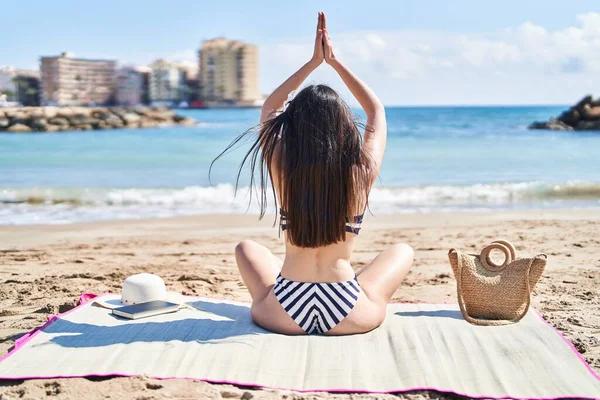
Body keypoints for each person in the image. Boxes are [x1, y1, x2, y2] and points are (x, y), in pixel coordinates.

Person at [212, 12, 414, 335]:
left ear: (293, 130)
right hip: (348, 309)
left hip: (285, 311)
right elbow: (376, 112)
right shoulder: (360, 173)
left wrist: (312, 63)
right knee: (402, 252)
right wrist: (333, 62)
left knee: (245, 248)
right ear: (345, 129)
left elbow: (269, 109)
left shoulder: (282, 168)